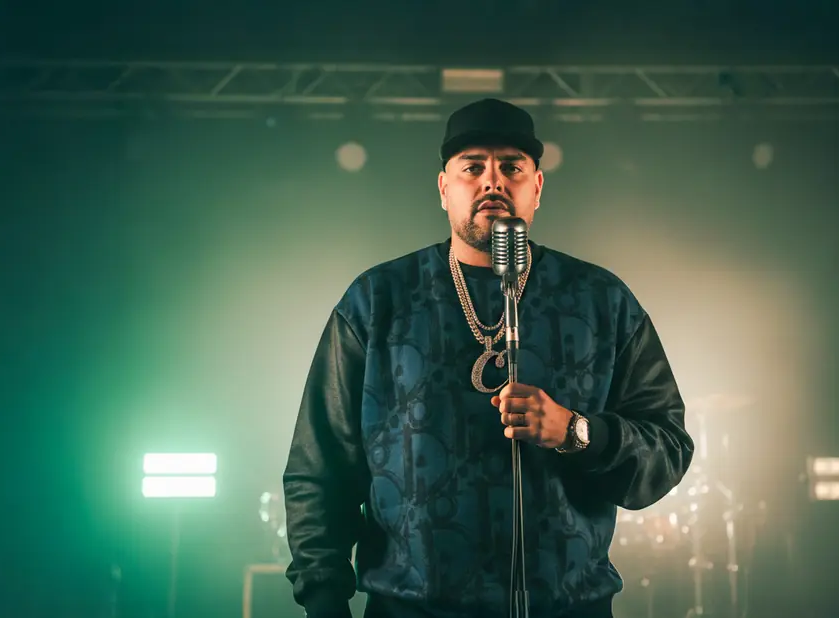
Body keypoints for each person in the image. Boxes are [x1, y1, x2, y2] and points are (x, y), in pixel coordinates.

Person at [282, 98, 695, 618]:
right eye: (473, 167)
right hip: (409, 608)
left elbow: (669, 447)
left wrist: (576, 432)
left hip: (568, 607)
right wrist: (324, 601)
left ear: (537, 188)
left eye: (512, 167)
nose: (492, 182)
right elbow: (318, 469)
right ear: (444, 189)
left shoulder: (602, 300)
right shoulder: (376, 300)